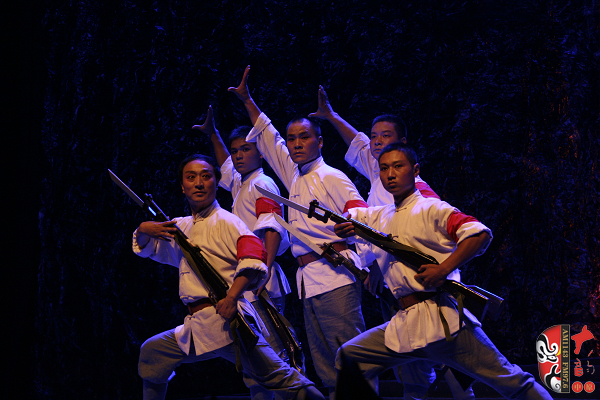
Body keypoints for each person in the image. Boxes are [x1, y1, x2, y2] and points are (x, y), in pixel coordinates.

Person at [333, 143, 553, 400]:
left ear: (415, 170)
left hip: (443, 320)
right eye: (384, 168)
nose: (390, 174)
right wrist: (345, 223)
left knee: (511, 380)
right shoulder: (380, 215)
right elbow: (354, 215)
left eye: (397, 166)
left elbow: (478, 234)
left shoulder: (432, 208)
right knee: (351, 356)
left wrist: (444, 269)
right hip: (405, 323)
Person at [310, 86, 474, 400]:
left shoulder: (418, 192)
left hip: (425, 284)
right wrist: (331, 116)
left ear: (403, 144)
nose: (376, 142)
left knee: (448, 353)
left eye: (385, 136)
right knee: (411, 353)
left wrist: (377, 264)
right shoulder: (380, 172)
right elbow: (358, 143)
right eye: (375, 136)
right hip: (397, 284)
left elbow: (415, 239)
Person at [229, 66, 379, 400]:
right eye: (292, 138)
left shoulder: (332, 176)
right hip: (309, 281)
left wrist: (353, 229)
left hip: (336, 275)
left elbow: (362, 214)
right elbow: (269, 139)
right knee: (326, 365)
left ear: (320, 141)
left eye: (304, 137)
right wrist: (247, 100)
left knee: (350, 357)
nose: (296, 144)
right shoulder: (295, 176)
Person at [132, 154, 324, 400]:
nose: (198, 183)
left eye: (206, 176)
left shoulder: (228, 222)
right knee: (153, 353)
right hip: (198, 325)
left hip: (226, 323)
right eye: (191, 177)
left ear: (215, 181)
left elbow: (254, 259)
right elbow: (150, 247)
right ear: (182, 186)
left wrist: (232, 297)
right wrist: (143, 229)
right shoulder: (182, 226)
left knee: (283, 379)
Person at [192, 107, 300, 400]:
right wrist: (213, 134)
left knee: (273, 351)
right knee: (256, 355)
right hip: (251, 277)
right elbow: (225, 165)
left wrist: (265, 270)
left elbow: (272, 226)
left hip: (261, 278)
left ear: (260, 153)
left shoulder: (261, 183)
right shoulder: (242, 182)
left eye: (246, 149)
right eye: (235, 150)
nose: (238, 155)